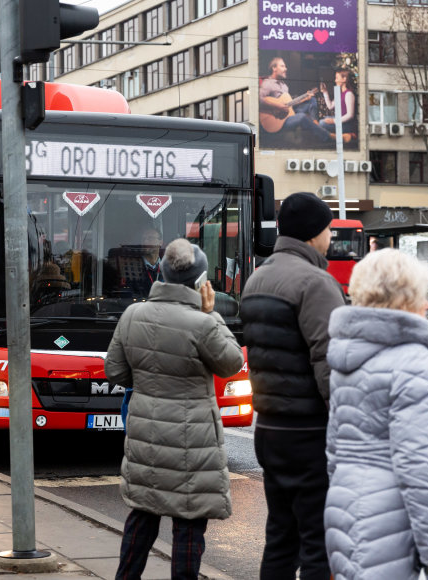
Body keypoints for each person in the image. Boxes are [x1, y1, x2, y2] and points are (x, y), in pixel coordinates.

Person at [107, 238, 244, 580]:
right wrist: (211, 313)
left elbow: (116, 371)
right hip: (192, 441)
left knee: (142, 515)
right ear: (199, 282)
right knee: (188, 523)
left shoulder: (132, 315)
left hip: (146, 436)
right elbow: (232, 363)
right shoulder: (203, 323)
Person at [325, 249, 428, 580]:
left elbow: (334, 449)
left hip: (344, 506)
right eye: (421, 294)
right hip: (391, 519)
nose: (426, 304)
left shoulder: (348, 357)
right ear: (407, 298)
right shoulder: (415, 363)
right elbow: (422, 465)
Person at [240, 192, 345, 580]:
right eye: (328, 230)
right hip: (309, 434)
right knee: (318, 542)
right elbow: (330, 362)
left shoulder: (258, 277)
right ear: (314, 233)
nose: (330, 238)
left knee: (281, 538)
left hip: (269, 429)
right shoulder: (315, 283)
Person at [259, 57, 338, 146]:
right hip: (276, 122)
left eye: (285, 66)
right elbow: (259, 100)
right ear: (274, 68)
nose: (286, 69)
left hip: (288, 113)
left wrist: (303, 98)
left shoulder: (284, 85)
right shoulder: (268, 83)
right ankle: (328, 136)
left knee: (311, 100)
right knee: (301, 117)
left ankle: (315, 122)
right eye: (282, 66)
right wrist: (278, 106)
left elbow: (289, 103)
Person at [319, 68, 358, 137]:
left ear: (344, 79)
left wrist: (334, 121)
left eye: (337, 78)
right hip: (339, 120)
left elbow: (350, 115)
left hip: (346, 125)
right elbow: (330, 106)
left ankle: (344, 135)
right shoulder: (339, 93)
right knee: (324, 119)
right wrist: (325, 92)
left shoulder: (349, 94)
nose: (335, 80)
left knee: (322, 123)